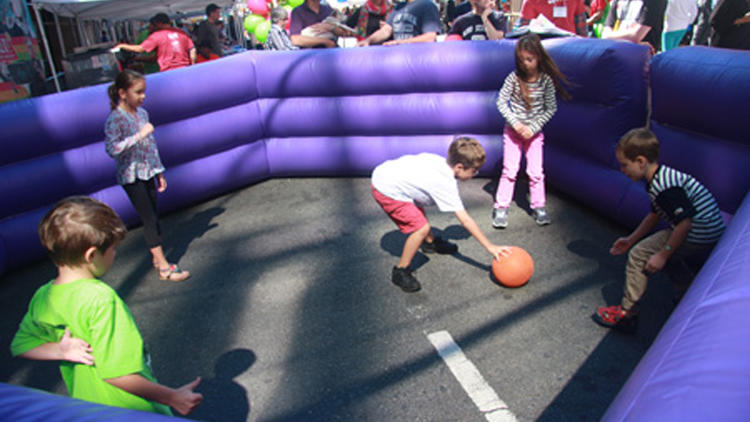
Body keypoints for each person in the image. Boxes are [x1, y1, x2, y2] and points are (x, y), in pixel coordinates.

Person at [10, 196, 203, 415]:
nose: (115, 254)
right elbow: (116, 374)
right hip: (130, 411)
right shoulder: (101, 299)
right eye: (112, 249)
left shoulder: (44, 296)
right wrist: (172, 397)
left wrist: (61, 350)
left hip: (89, 409)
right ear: (91, 255)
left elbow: (21, 345)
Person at [593, 128, 726, 333]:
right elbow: (654, 216)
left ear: (640, 161)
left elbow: (684, 223)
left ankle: (628, 314)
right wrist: (630, 239)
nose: (622, 170)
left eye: (624, 165)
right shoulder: (658, 178)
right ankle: (687, 292)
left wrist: (663, 254)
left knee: (640, 255)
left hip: (700, 231)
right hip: (706, 229)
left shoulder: (664, 187)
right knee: (656, 251)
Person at [371, 137, 512, 292]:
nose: (475, 174)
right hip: (386, 189)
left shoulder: (440, 161)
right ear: (459, 167)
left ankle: (430, 244)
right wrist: (490, 247)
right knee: (421, 228)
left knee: (419, 216)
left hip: (390, 176)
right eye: (473, 171)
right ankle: (401, 271)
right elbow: (465, 220)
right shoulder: (444, 183)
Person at [104, 70, 191, 282]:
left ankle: (156, 258)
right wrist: (138, 135)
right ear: (123, 93)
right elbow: (112, 148)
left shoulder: (142, 114)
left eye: (144, 92)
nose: (143, 97)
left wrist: (158, 171)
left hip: (147, 171)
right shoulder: (116, 118)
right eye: (138, 92)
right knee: (148, 218)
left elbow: (151, 147)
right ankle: (163, 266)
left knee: (154, 213)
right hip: (131, 175)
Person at [493, 34, 569, 229]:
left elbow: (550, 108)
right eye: (522, 60)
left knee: (535, 172)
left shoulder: (545, 82)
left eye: (530, 59)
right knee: (510, 170)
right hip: (513, 132)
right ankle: (501, 207)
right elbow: (501, 102)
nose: (526, 64)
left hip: (534, 135)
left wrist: (533, 128)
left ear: (539, 58)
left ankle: (539, 206)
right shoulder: (514, 78)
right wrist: (516, 124)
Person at [115, 13, 196, 72]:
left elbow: (140, 49)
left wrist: (122, 45)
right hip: (185, 69)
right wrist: (192, 65)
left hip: (169, 72)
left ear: (159, 23)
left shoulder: (157, 35)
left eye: (155, 24)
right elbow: (192, 50)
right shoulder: (181, 33)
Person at [357, 0, 442, 46]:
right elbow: (385, 30)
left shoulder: (427, 5)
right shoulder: (398, 7)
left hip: (418, 60)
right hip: (399, 60)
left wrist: (400, 42)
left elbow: (430, 37)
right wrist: (368, 40)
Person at [601, 0, 667, 53]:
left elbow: (636, 35)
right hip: (618, 54)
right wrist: (630, 42)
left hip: (642, 59)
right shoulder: (617, 1)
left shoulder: (654, 1)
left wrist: (613, 38)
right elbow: (605, 34)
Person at [519, 0, 588, 36]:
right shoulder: (531, 1)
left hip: (570, 47)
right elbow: (523, 30)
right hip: (543, 50)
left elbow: (582, 27)